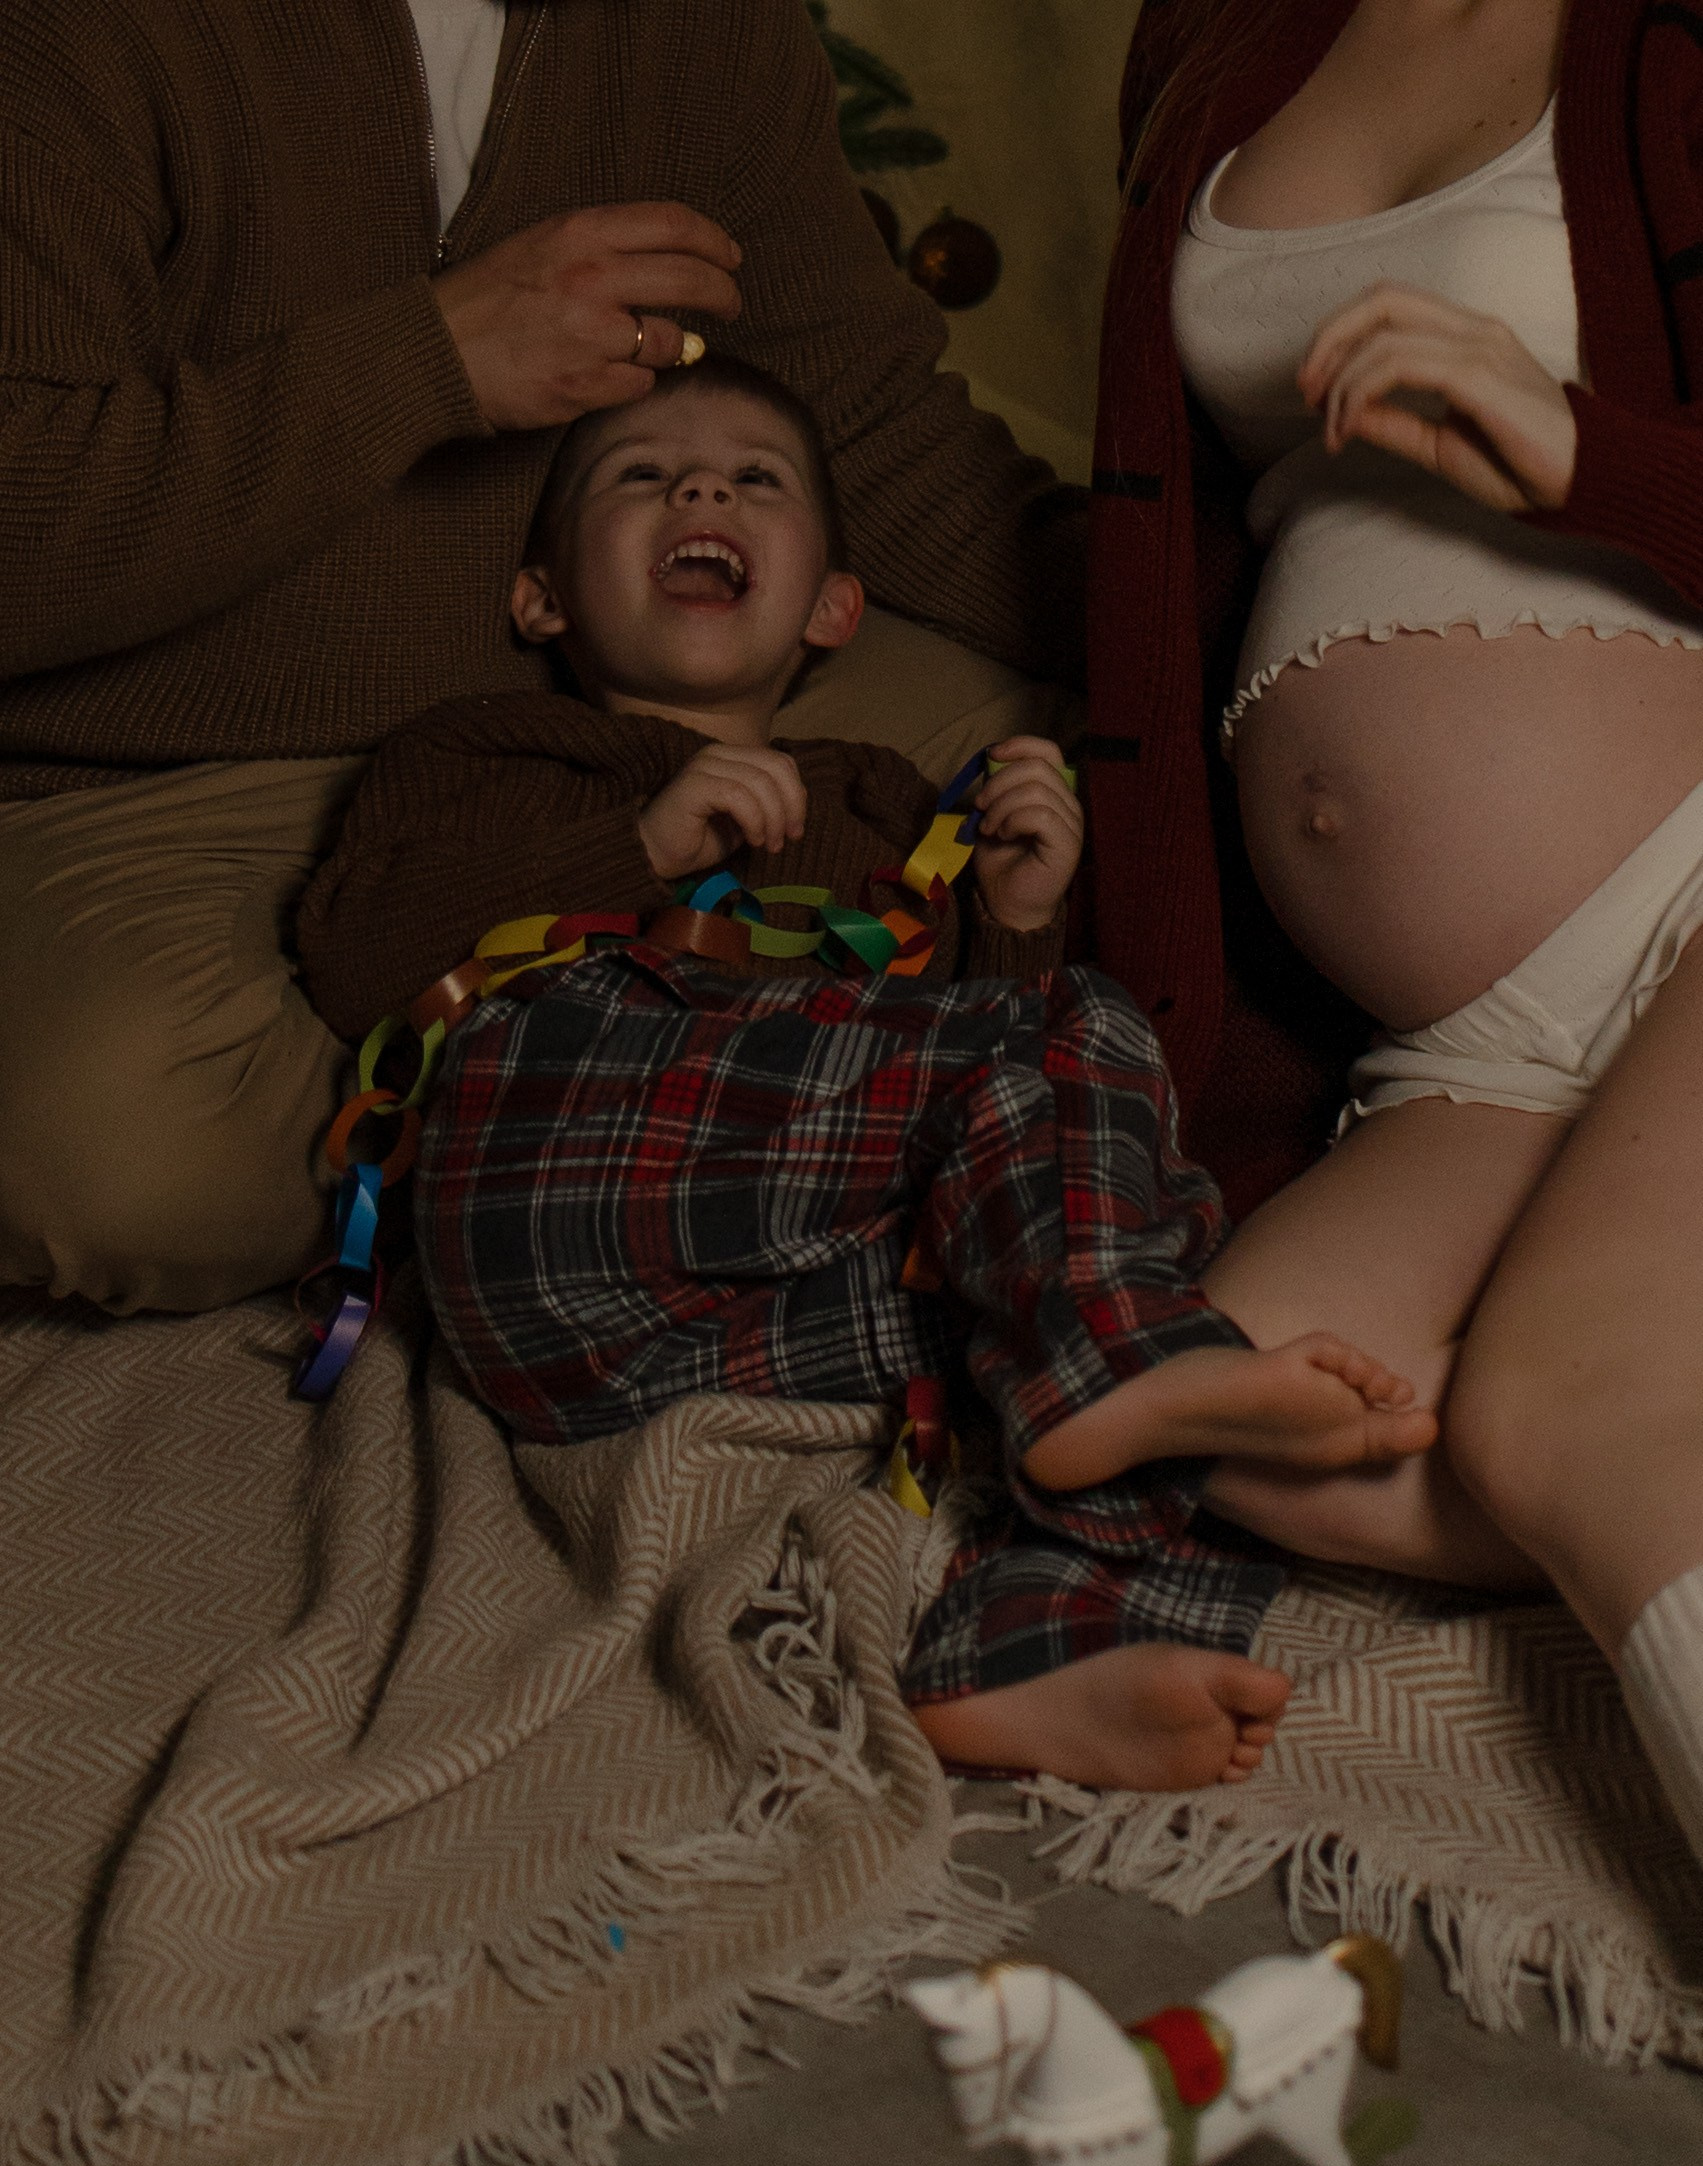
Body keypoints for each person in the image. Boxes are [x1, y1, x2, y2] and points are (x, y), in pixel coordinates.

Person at [297, 356, 1438, 1787]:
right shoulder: (489, 751)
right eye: (644, 475)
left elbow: (993, 1119)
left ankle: (1028, 1643)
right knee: (1084, 1082)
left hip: (738, 1322)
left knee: (1142, 1242)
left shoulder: (882, 805)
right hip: (545, 1201)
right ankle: (1114, 1365)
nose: (702, 488)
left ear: (833, 606)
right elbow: (355, 953)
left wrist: (1014, 918)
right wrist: (638, 848)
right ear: (541, 598)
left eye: (754, 480)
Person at [0, 0, 1083, 1318]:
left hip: (600, 707)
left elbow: (859, 412)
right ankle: (632, 1156)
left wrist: (1191, 613)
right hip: (166, 783)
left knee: (1074, 761)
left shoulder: (709, 30)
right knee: (122, 1166)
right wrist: (433, 358)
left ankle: (701, 1106)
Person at [1083, 0, 1703, 1855]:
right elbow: (1160, 552)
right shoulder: (1220, 31)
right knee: (1232, 1392)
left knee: (1559, 1412)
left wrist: (1582, 455)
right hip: (1482, 1048)